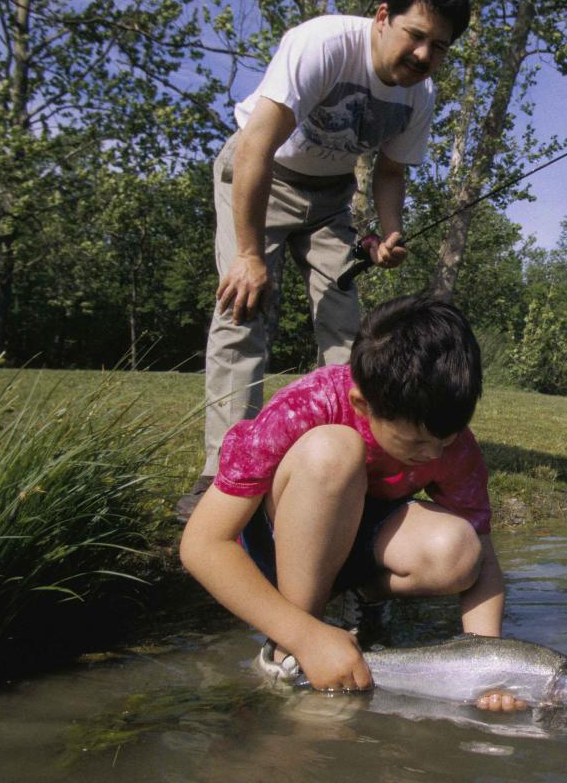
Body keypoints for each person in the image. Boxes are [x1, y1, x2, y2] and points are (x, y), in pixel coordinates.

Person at [178, 0, 472, 521]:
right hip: (260, 179)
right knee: (244, 312)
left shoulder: (420, 96)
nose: (422, 56)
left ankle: (351, 465)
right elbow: (255, 149)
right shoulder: (321, 44)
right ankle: (223, 473)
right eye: (415, 36)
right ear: (383, 17)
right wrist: (246, 257)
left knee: (349, 328)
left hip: (331, 200)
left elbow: (389, 172)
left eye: (439, 47)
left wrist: (388, 233)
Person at [180, 294, 525, 711]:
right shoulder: (310, 405)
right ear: (363, 403)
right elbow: (202, 544)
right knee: (333, 451)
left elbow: (483, 563)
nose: (435, 455)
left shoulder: (452, 445)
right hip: (278, 545)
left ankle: (356, 599)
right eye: (416, 442)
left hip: (355, 538)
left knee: (460, 548)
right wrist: (304, 635)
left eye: (446, 440)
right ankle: (287, 645)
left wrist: (488, 668)